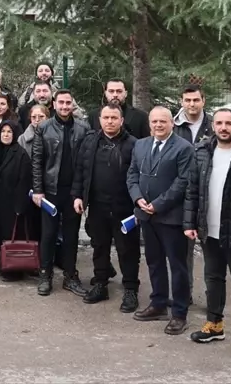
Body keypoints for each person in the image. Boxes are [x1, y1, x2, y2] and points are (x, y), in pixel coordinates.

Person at [184, 108, 231, 355]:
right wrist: (190, 223)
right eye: (219, 123)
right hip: (209, 231)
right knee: (213, 278)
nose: (223, 127)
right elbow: (192, 190)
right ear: (213, 126)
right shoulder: (201, 152)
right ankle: (215, 324)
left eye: (228, 123)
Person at [127, 106, 195, 335]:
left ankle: (179, 313)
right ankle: (158, 303)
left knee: (177, 266)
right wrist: (137, 198)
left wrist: (158, 204)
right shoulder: (141, 145)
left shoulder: (184, 148)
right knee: (154, 262)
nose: (158, 125)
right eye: (154, 121)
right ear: (150, 124)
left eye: (162, 121)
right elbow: (132, 174)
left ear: (171, 123)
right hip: (146, 215)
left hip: (171, 217)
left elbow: (183, 182)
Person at [71, 103, 140, 312]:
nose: (110, 121)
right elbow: (81, 170)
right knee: (99, 246)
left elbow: (139, 176)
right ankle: (101, 283)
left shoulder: (134, 144)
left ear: (121, 120)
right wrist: (77, 195)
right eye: (106, 118)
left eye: (114, 118)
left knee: (127, 250)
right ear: (100, 120)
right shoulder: (90, 141)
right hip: (97, 205)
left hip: (124, 207)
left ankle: (130, 289)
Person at [31, 89, 91, 297]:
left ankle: (70, 276)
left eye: (68, 103)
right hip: (50, 191)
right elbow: (37, 161)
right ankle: (45, 275)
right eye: (61, 103)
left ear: (72, 105)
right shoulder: (44, 127)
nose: (65, 106)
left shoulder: (83, 128)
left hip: (73, 192)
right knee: (48, 235)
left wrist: (82, 192)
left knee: (71, 235)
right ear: (54, 104)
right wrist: (38, 190)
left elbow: (86, 163)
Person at [0, 119, 33, 279]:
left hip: (13, 203)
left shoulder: (20, 154)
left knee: (13, 236)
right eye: (3, 131)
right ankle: (4, 264)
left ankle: (14, 270)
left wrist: (20, 206)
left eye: (9, 132)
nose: (5, 135)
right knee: (2, 236)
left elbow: (24, 181)